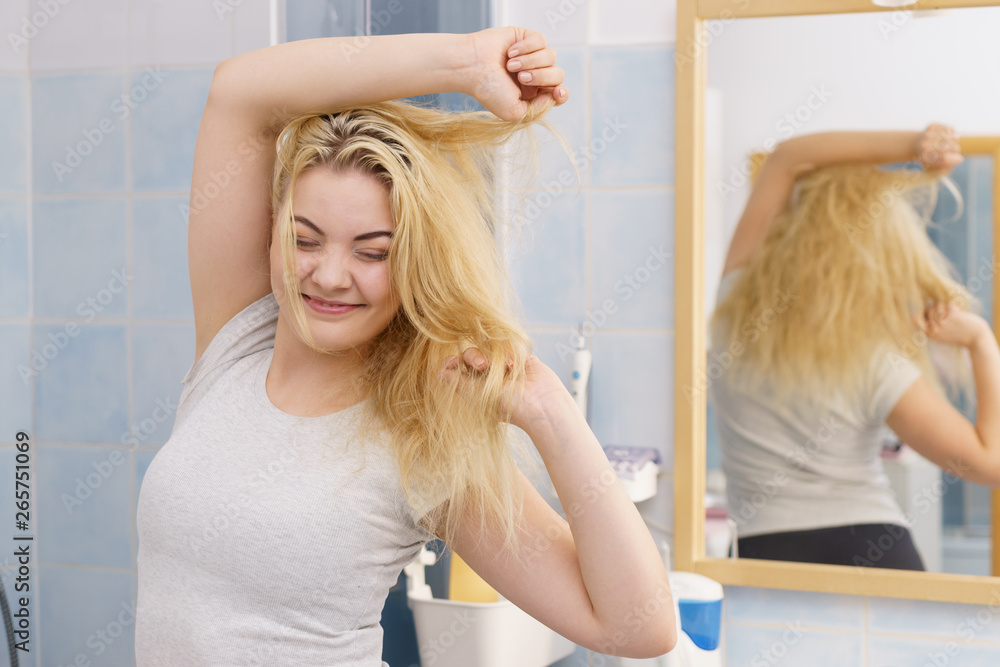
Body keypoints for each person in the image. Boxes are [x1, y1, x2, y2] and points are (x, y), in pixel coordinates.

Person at [134, 27, 675, 665]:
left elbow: (638, 627)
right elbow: (237, 92)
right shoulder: (235, 343)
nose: (329, 275)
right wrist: (467, 63)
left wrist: (552, 414)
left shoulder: (421, 434)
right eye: (305, 240)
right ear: (273, 232)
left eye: (372, 253)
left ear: (415, 264)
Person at [709, 124, 1000, 570]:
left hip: (761, 550)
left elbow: (785, 158)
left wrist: (915, 146)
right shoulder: (874, 362)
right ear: (884, 254)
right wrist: (980, 341)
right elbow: (990, 464)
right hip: (874, 550)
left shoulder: (733, 314)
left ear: (788, 232)